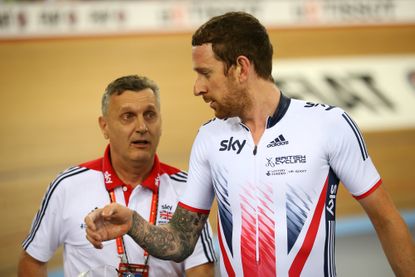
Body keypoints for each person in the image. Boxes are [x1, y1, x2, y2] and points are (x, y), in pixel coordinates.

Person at [84, 12, 415, 277]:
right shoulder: (210, 138)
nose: (197, 88)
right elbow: (181, 241)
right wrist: (133, 224)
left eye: (205, 73)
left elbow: (386, 220)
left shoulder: (328, 126)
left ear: (241, 68)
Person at [18, 75, 216, 277]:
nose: (142, 127)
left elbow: (201, 268)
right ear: (105, 126)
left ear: (160, 122)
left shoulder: (187, 188)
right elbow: (32, 261)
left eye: (149, 115)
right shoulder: (67, 186)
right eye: (128, 116)